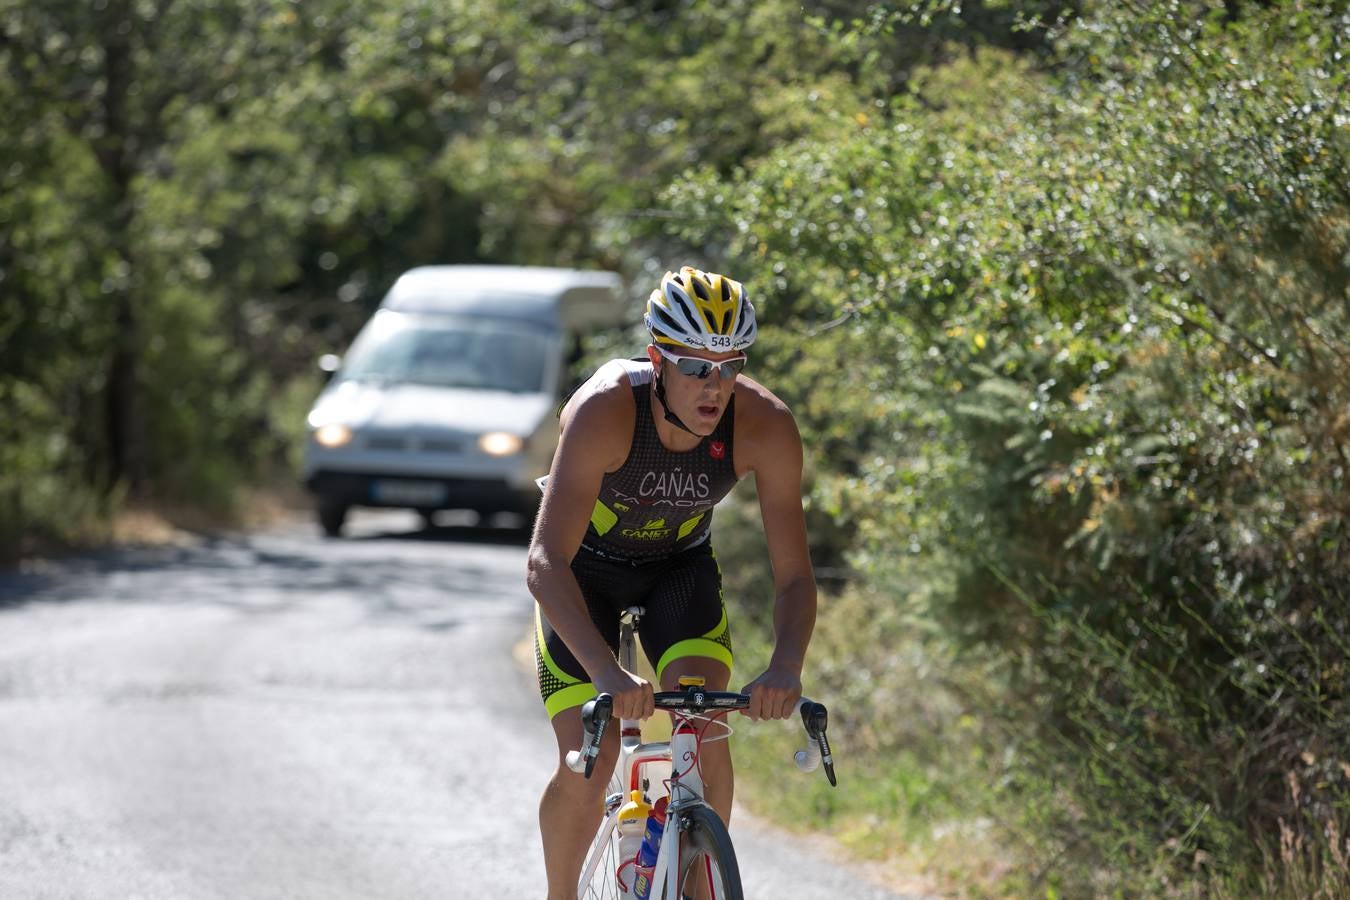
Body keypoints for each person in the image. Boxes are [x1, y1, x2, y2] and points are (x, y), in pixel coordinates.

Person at [526, 265, 817, 898]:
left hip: (677, 571)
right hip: (583, 573)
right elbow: (545, 563)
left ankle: (701, 885)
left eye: (730, 366)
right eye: (694, 367)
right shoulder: (605, 410)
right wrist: (607, 673)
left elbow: (795, 574)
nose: (715, 387)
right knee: (593, 757)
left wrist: (786, 666)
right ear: (657, 359)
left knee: (703, 727)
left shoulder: (766, 425)